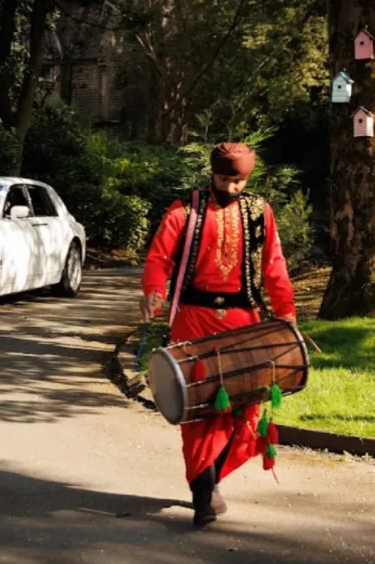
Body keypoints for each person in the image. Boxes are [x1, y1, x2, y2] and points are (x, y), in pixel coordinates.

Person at [140, 142, 297, 527]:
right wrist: (153, 293)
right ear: (213, 174)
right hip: (193, 320)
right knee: (196, 410)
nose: (232, 188)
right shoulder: (185, 211)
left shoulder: (260, 212)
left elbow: (273, 262)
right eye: (226, 179)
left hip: (244, 322)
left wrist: (286, 312)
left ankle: (211, 483)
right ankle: (203, 493)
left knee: (244, 407)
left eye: (240, 181)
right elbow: (160, 257)